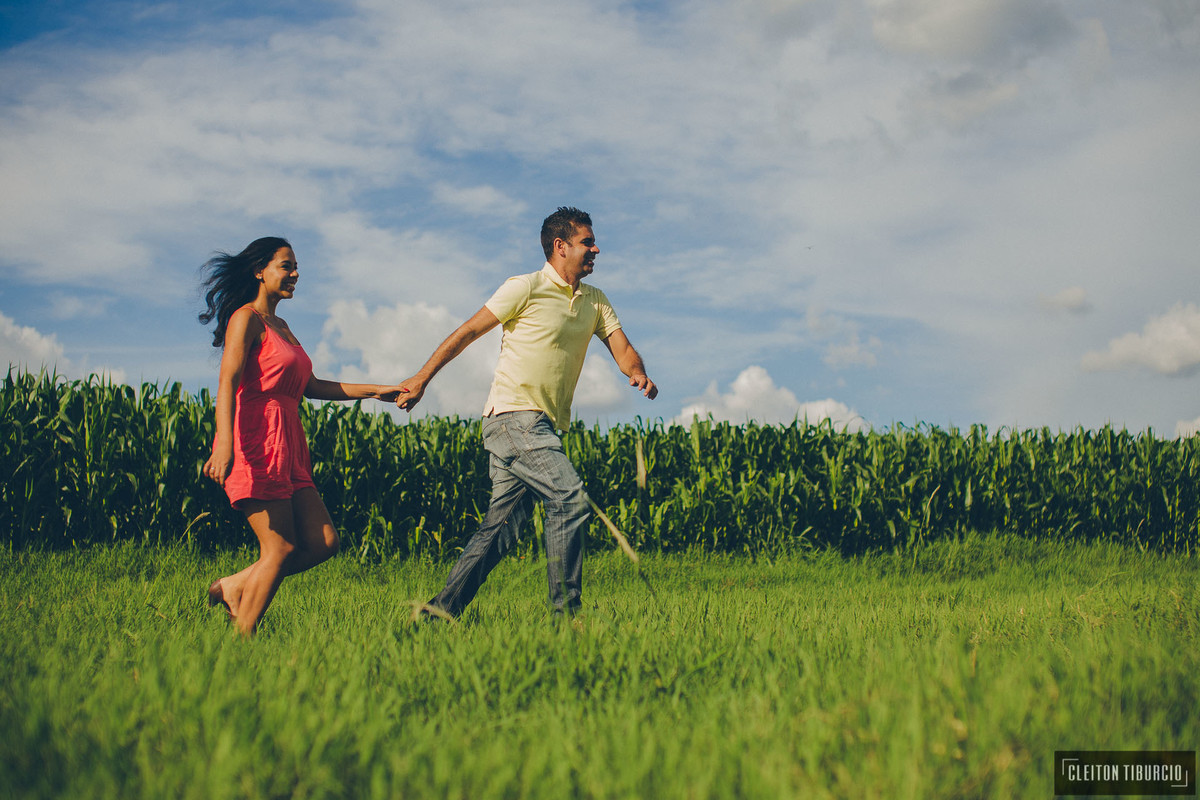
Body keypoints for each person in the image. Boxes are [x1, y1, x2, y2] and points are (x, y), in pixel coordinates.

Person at [397, 207, 658, 619]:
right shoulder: (526, 287)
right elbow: (468, 331)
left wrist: (638, 371)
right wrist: (422, 378)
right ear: (560, 247)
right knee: (569, 498)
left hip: (540, 425)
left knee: (501, 531)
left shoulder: (595, 300)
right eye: (587, 242)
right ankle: (566, 621)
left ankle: (438, 614)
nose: (596, 249)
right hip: (514, 417)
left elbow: (621, 349)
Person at [199, 236, 403, 636]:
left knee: (324, 541)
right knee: (279, 549)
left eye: (295, 267)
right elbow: (227, 381)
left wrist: (375, 390)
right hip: (255, 437)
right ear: (260, 270)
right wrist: (224, 442)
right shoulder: (246, 318)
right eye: (286, 266)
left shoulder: (282, 327)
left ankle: (234, 586)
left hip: (289, 443)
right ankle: (242, 638)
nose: (295, 274)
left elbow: (310, 385)